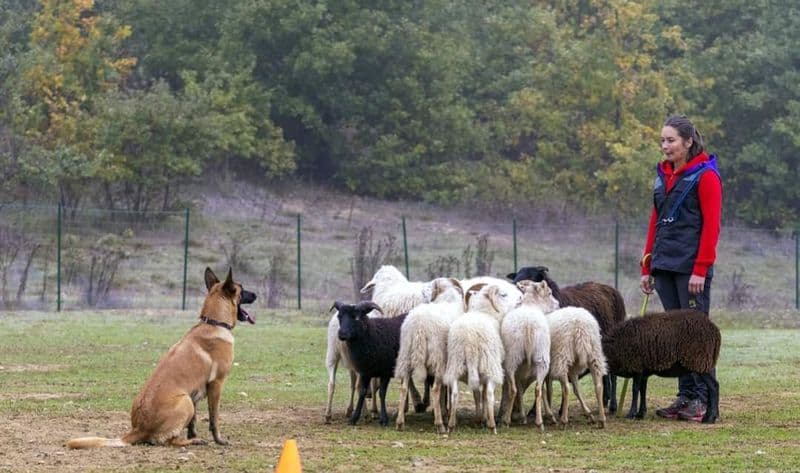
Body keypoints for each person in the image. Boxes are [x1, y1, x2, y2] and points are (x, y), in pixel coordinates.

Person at [639, 114, 722, 422]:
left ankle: (703, 400)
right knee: (675, 335)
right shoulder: (662, 177)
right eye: (662, 140)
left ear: (688, 142)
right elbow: (655, 221)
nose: (665, 146)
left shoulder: (706, 176)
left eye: (671, 140)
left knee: (695, 335)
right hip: (664, 265)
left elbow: (712, 226)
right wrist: (647, 264)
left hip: (691, 269)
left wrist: (701, 268)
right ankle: (685, 397)